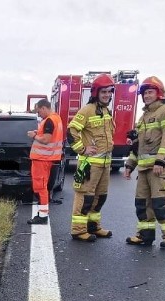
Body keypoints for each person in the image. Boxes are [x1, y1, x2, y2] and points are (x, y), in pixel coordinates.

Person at [123, 76, 165, 248]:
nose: (147, 96)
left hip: (159, 169)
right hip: (144, 168)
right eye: (145, 93)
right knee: (142, 203)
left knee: (160, 203)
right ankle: (145, 235)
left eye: (150, 92)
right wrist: (129, 165)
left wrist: (160, 161)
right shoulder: (144, 117)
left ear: (159, 93)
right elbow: (139, 146)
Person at [66, 73, 116, 241]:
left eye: (110, 92)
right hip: (90, 164)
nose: (107, 95)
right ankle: (79, 230)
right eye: (104, 92)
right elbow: (71, 131)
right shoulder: (87, 110)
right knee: (85, 196)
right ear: (96, 93)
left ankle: (93, 227)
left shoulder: (106, 111)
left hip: (105, 164)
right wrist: (82, 149)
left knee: (100, 197)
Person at [26, 98, 64, 226]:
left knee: (40, 187)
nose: (38, 114)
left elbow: (46, 139)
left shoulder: (49, 120)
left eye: (39, 111)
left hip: (42, 159)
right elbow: (49, 134)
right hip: (48, 158)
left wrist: (34, 136)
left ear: (43, 108)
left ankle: (42, 216)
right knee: (42, 187)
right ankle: (42, 213)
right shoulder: (56, 118)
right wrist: (38, 132)